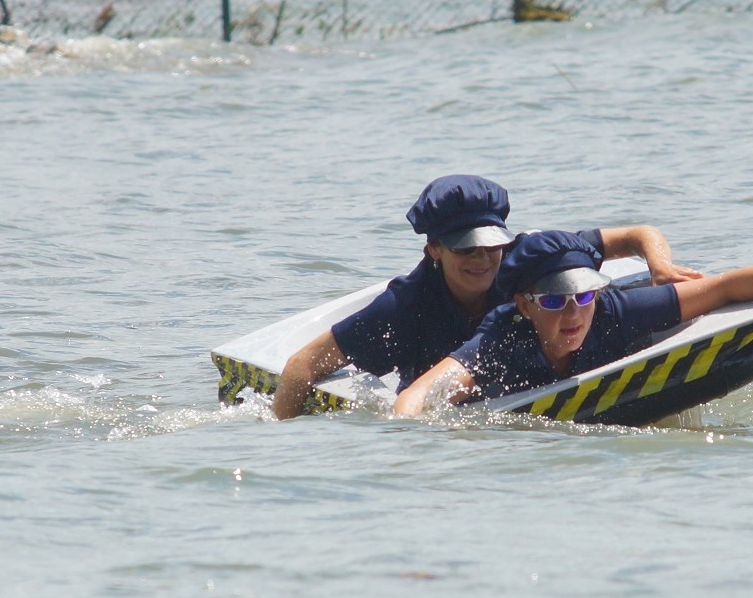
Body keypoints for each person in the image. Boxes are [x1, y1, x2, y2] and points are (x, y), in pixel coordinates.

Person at [272, 175, 704, 420]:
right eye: (466, 249)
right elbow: (303, 365)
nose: (483, 260)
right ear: (434, 249)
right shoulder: (402, 307)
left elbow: (637, 233)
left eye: (490, 245)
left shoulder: (529, 263)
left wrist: (660, 266)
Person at [392, 230, 753, 416]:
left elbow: (724, 288)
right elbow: (415, 397)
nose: (574, 313)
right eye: (555, 301)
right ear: (524, 305)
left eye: (584, 296)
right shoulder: (500, 340)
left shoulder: (613, 310)